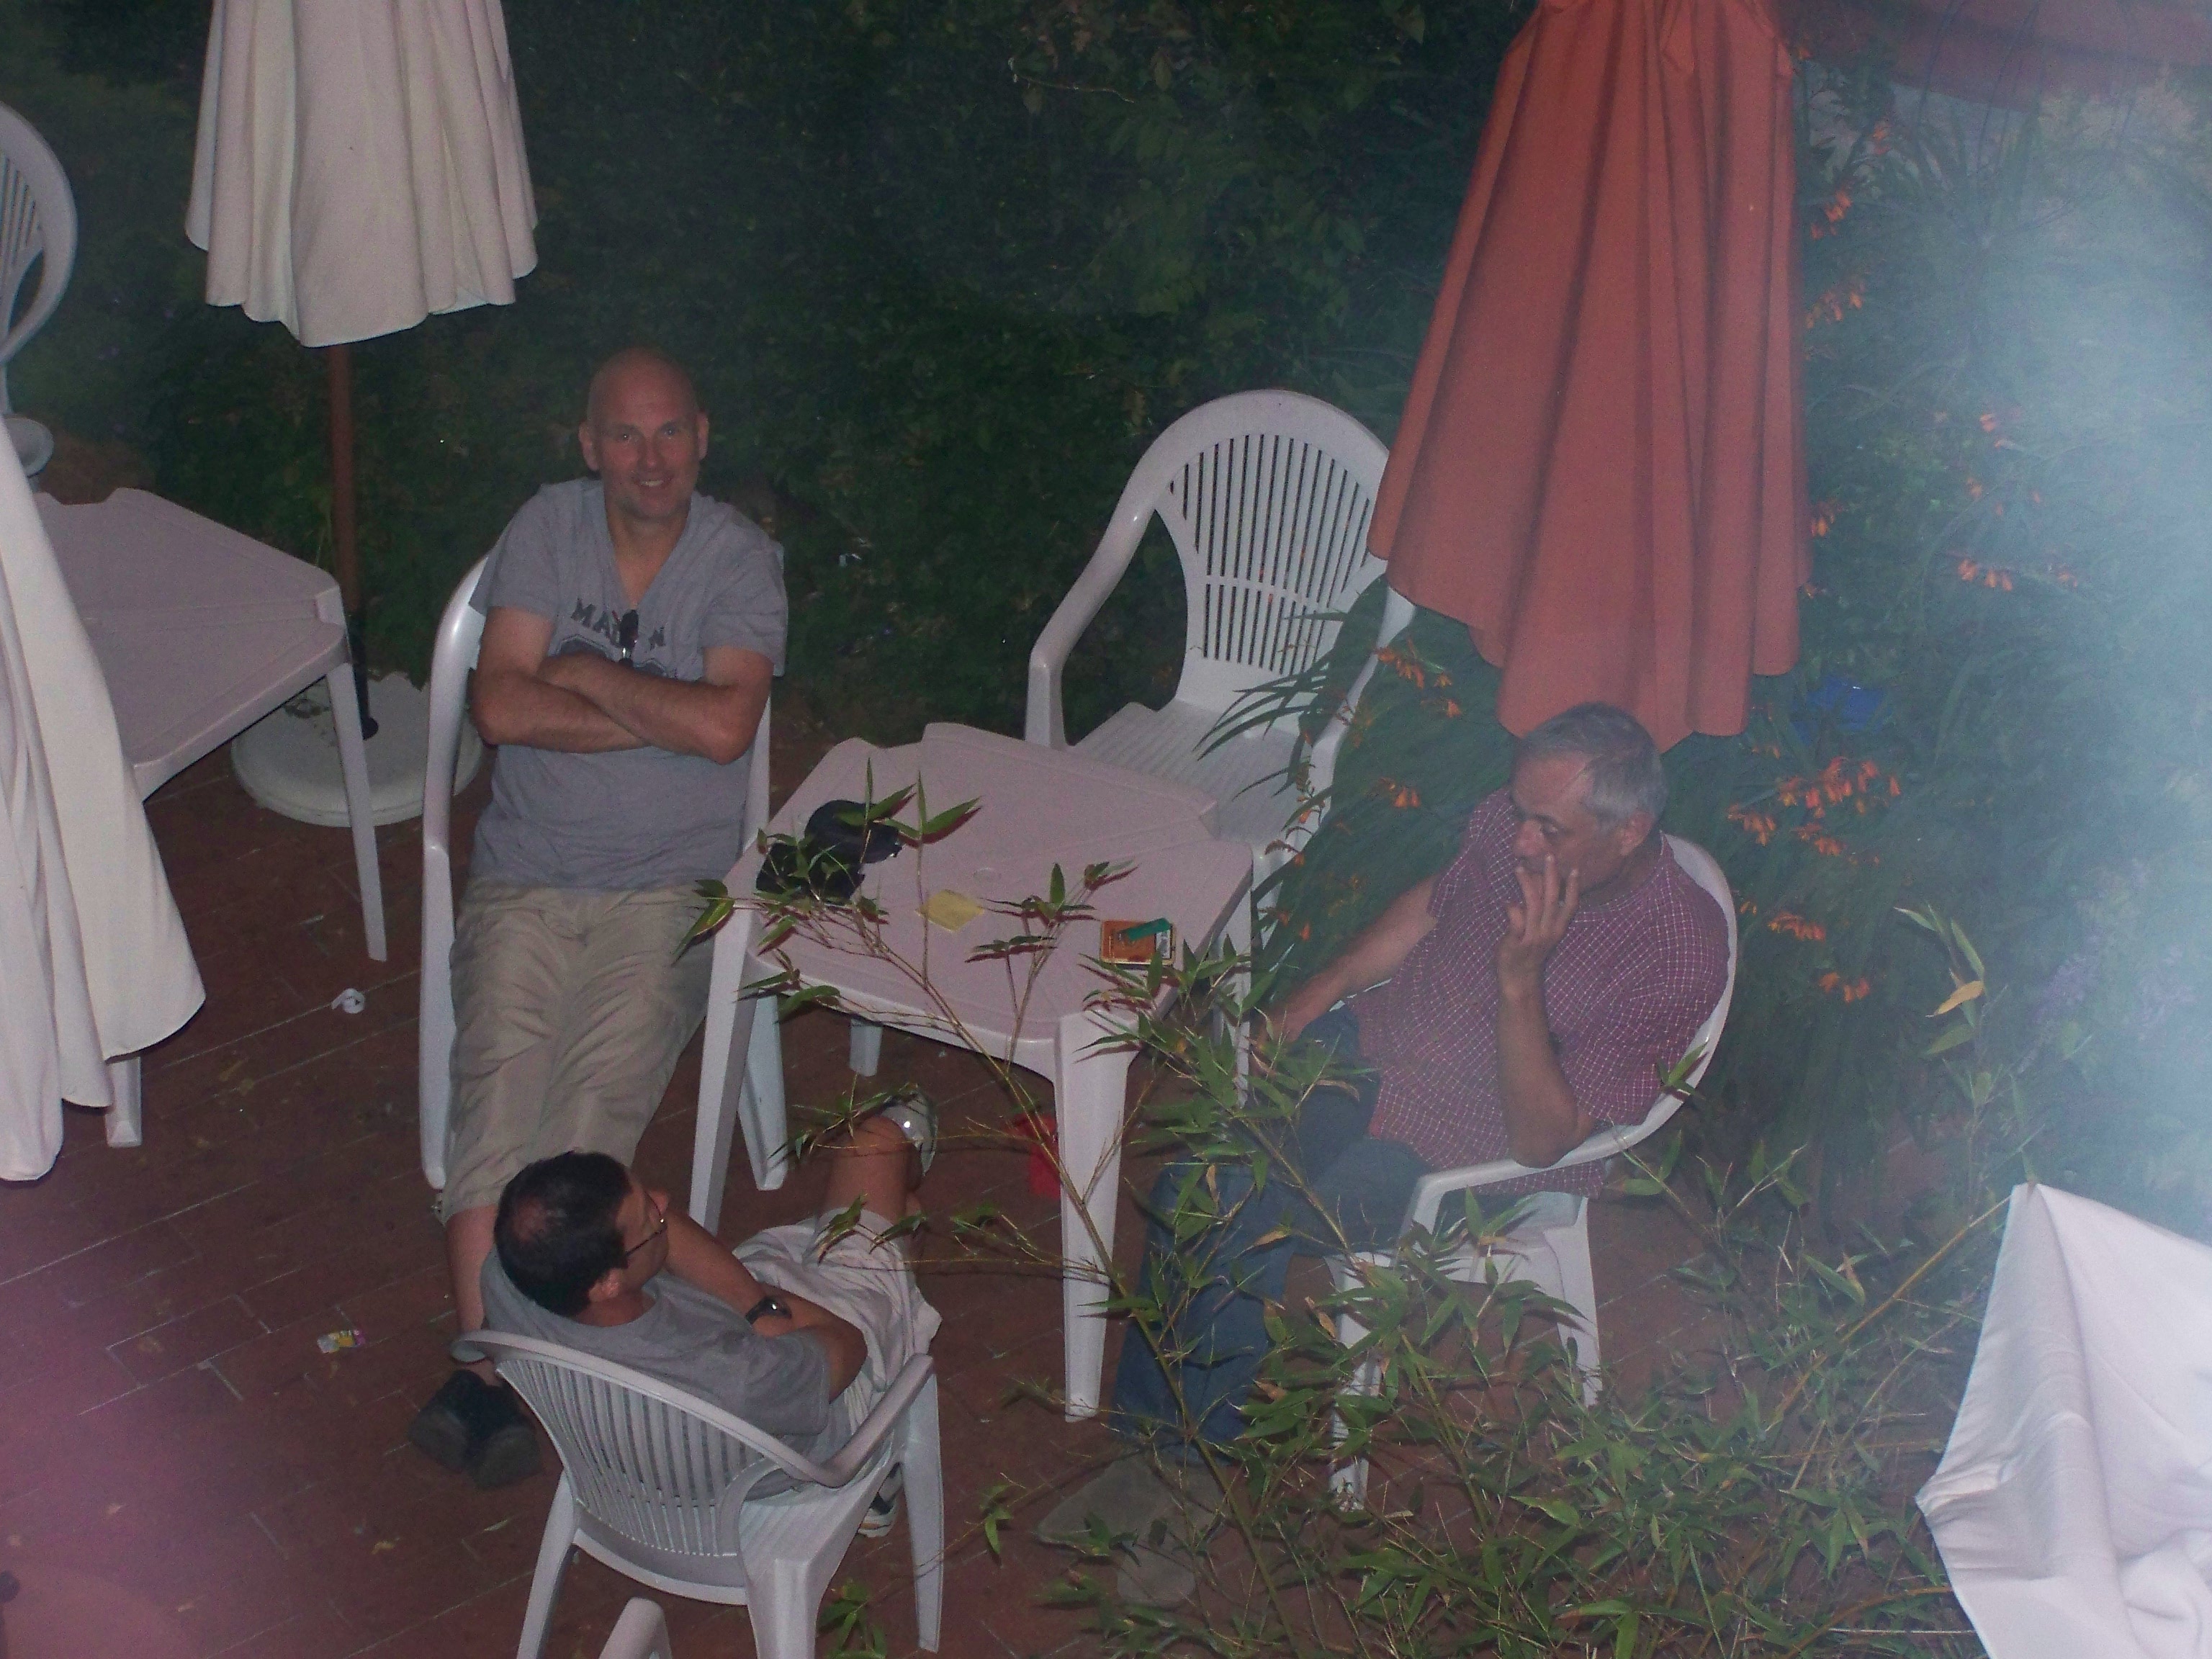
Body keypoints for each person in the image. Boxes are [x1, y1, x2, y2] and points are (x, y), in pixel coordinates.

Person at [1038, 701, 1730, 1597]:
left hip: (1470, 1152)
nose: (1519, 838)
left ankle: (1190, 1480)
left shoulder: (1677, 951)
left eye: (1547, 828)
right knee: (1200, 1183)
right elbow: (1430, 909)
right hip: (1373, 1052)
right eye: (1519, 810)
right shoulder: (1510, 826)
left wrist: (1521, 981)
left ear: (1629, 831)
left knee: (1243, 1211)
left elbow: (1542, 1140)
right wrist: (1315, 992)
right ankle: (1150, 1456)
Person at [408, 348, 787, 1487]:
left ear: (703, 437)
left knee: (581, 1138)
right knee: (494, 1122)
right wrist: (670, 713)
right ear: (590, 446)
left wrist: (579, 672)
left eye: (670, 432)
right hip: (525, 876)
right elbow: (500, 705)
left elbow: (727, 732)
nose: (650, 458)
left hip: (665, 892)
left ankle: (494, 1379)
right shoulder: (548, 526)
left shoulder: (739, 558)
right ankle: (511, 1375)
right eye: (626, 435)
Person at [462, 1098, 940, 1521]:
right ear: (607, 1282)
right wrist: (778, 1311)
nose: (664, 1202)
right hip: (812, 1429)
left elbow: (668, 1233)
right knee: (875, 1144)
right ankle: (874, 1467)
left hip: (694, 1431)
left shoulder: (511, 1277)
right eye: (649, 1216)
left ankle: (881, 1486)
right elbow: (848, 1345)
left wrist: (757, 1305)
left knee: (900, 1216)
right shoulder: (739, 1378)